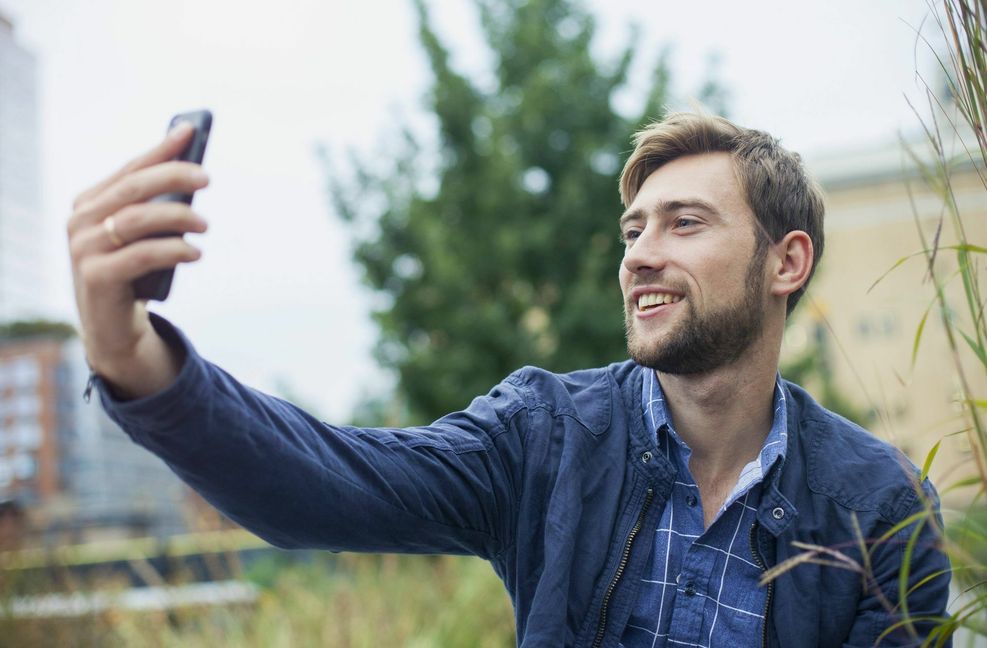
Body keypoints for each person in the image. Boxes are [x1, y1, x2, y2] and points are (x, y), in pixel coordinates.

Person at [68, 113, 951, 647]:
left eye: (684, 223)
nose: (640, 255)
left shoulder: (879, 506)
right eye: (633, 230)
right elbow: (325, 484)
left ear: (783, 262)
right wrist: (131, 356)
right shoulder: (545, 433)